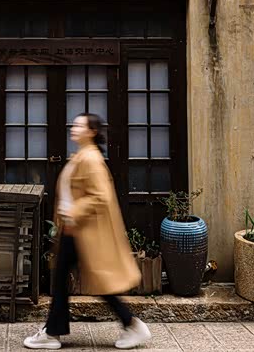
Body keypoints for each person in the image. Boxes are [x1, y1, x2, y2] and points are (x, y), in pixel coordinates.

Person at [24, 113, 152, 350]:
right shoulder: (83, 155)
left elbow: (100, 196)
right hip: (75, 230)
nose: (74, 128)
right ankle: (56, 331)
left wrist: (73, 212)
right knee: (72, 280)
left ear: (92, 132)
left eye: (79, 125)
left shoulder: (91, 159)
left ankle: (130, 325)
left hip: (83, 231)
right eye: (74, 124)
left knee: (89, 281)